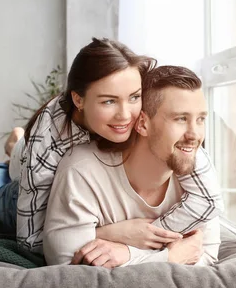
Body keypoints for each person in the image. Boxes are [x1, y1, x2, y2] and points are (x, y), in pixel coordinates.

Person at [0, 38, 223, 257]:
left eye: (134, 97)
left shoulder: (152, 118)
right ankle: (14, 148)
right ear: (79, 100)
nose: (126, 115)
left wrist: (151, 237)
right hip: (22, 183)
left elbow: (207, 197)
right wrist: (111, 234)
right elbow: (34, 241)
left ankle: (15, 144)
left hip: (49, 163)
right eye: (108, 102)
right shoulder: (50, 142)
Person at [43, 66, 221, 267]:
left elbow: (206, 258)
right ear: (143, 123)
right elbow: (65, 267)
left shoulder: (196, 174)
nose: (195, 135)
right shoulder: (81, 170)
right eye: (180, 119)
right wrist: (168, 258)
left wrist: (127, 253)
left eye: (201, 119)